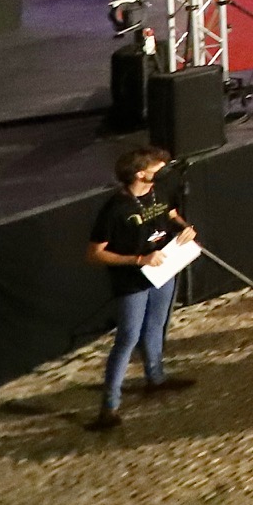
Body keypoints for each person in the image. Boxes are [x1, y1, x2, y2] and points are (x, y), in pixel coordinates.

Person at [85, 145, 196, 430]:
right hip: (133, 281)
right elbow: (94, 253)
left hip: (164, 269)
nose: (162, 171)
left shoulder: (159, 191)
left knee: (156, 325)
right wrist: (138, 259)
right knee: (128, 338)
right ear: (139, 173)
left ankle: (156, 377)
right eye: (156, 167)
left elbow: (170, 213)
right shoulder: (115, 209)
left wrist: (185, 227)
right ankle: (108, 406)